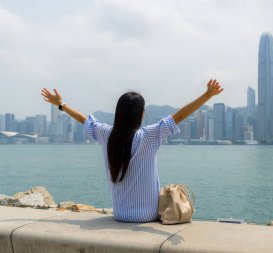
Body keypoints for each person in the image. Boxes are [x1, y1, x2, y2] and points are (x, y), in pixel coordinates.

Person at [41, 79, 223, 222]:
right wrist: (207, 95)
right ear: (141, 114)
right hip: (147, 217)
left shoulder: (106, 133)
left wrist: (61, 104)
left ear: (118, 113)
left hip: (119, 215)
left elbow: (84, 119)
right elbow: (180, 116)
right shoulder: (151, 135)